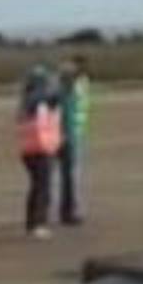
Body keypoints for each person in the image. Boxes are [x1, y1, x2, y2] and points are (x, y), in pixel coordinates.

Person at [17, 65, 64, 239]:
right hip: (40, 148)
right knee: (42, 187)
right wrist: (58, 82)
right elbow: (54, 98)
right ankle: (38, 223)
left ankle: (33, 222)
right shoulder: (36, 99)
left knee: (37, 187)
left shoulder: (26, 99)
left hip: (32, 148)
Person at [57, 55, 92, 226]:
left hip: (71, 133)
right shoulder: (70, 88)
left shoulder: (75, 85)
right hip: (69, 135)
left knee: (68, 175)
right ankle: (70, 211)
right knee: (71, 175)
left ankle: (67, 210)